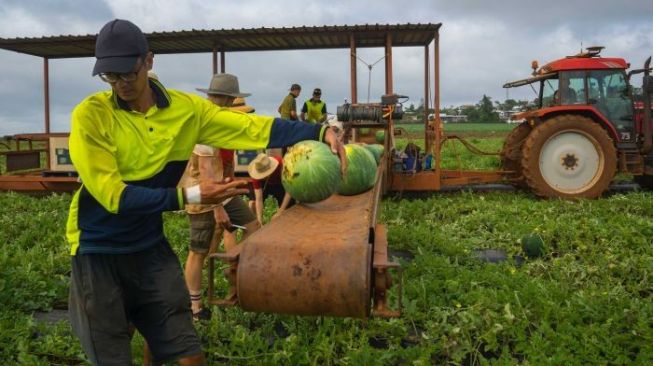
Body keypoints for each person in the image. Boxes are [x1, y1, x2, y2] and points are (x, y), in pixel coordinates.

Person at [66, 19, 345, 366]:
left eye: (127, 72)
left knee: (188, 353)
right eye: (111, 76)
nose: (121, 83)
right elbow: (114, 197)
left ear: (148, 61)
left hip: (148, 248)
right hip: (98, 249)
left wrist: (318, 132)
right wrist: (192, 196)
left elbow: (248, 127)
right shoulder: (91, 116)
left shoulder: (188, 111)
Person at [182, 73, 260, 321]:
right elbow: (206, 179)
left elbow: (223, 170)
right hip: (202, 197)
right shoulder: (205, 128)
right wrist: (218, 209)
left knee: (253, 226)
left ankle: (234, 271)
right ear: (227, 100)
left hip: (222, 192)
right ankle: (194, 307)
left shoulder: (222, 127)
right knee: (199, 251)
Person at [247, 153, 294, 223]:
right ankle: (256, 222)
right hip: (265, 185)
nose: (262, 176)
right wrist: (259, 219)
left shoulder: (281, 164)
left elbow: (289, 189)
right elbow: (258, 199)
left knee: (290, 206)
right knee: (252, 204)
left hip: (280, 183)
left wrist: (281, 211)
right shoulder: (256, 174)